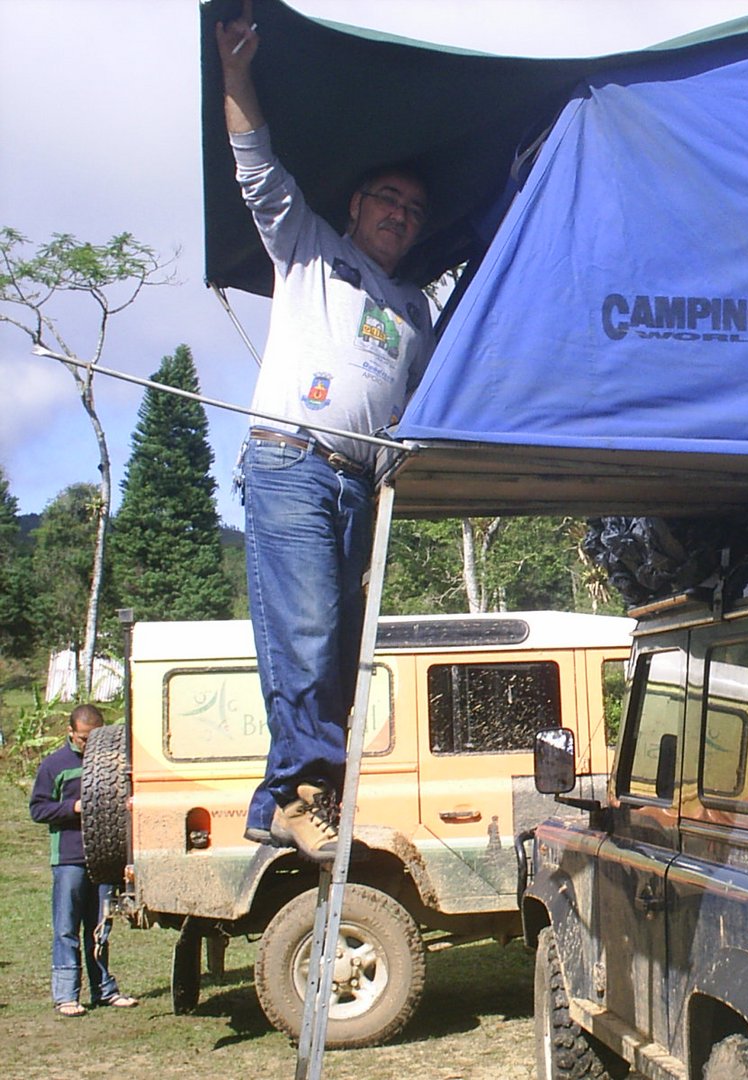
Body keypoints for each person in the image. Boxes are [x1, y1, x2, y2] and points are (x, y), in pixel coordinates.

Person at [216, 1, 437, 861]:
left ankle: (303, 794)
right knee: (305, 631)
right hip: (291, 460)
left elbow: (432, 403)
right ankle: (298, 792)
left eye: (416, 212)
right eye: (390, 200)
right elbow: (256, 167)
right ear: (357, 205)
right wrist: (237, 74)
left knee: (339, 653)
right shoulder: (308, 248)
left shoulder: (413, 311)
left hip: (360, 486)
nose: (402, 216)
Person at [29, 705, 139, 1016]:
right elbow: (38, 809)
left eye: (95, 738)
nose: (88, 745)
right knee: (67, 927)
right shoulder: (54, 765)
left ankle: (104, 990)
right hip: (69, 858)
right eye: (83, 739)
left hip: (103, 856)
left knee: (100, 928)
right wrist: (73, 807)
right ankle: (66, 994)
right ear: (70, 733)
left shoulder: (110, 763)